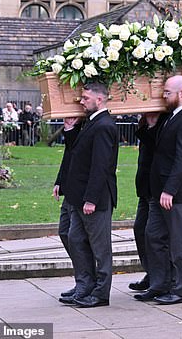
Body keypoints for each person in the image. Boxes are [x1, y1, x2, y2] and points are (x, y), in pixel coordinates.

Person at [139, 75, 182, 305]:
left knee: (178, 243)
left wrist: (170, 190)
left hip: (176, 194)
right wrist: (152, 124)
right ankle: (160, 284)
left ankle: (181, 290)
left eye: (167, 92)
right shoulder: (171, 117)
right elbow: (156, 147)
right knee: (152, 236)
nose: (163, 96)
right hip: (160, 193)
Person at [60, 82, 119, 307]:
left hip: (96, 199)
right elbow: (79, 154)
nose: (81, 102)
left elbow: (101, 166)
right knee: (75, 239)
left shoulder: (104, 125)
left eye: (85, 98)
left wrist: (91, 199)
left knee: (100, 248)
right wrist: (70, 130)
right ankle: (84, 284)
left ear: (100, 100)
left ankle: (101, 293)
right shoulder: (91, 123)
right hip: (80, 197)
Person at [129, 112, 162, 292]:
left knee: (153, 234)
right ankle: (152, 272)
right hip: (145, 187)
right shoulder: (147, 124)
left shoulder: (163, 123)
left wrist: (151, 124)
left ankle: (161, 276)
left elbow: (157, 148)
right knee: (140, 229)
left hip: (156, 187)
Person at [53, 116, 82, 304]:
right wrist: (59, 181)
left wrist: (72, 130)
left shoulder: (89, 126)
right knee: (64, 231)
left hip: (80, 189)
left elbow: (79, 155)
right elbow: (68, 155)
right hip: (69, 186)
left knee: (76, 237)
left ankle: (86, 281)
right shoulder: (77, 127)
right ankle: (83, 278)